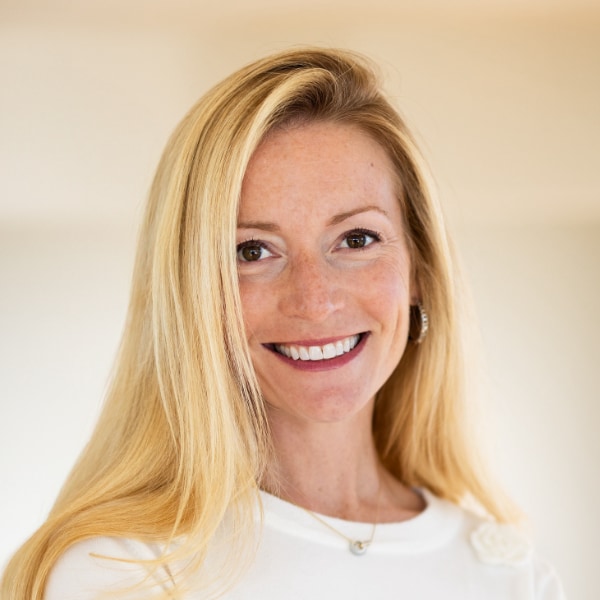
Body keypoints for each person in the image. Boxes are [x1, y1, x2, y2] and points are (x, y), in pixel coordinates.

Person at [1, 47, 565, 599]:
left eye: (357, 239)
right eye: (252, 251)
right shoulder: (123, 571)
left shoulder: (512, 579)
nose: (315, 301)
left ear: (418, 269)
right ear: (193, 290)